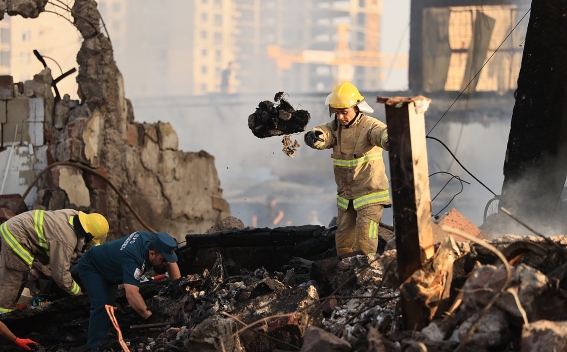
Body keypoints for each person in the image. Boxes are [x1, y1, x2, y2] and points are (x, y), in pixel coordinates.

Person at [304, 82, 390, 257]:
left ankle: (366, 274)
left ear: (357, 108)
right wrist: (313, 136)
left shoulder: (370, 126)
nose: (341, 116)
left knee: (365, 239)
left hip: (370, 195)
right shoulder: (335, 128)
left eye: (344, 112)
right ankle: (344, 273)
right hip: (347, 196)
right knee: (343, 239)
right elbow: (324, 134)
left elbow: (382, 134)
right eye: (337, 112)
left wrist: (391, 139)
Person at [78, 231, 181, 350]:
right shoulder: (134, 259)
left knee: (108, 306)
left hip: (110, 268)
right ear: (152, 254)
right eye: (162, 260)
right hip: (92, 266)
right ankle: (95, 346)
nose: (164, 264)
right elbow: (131, 294)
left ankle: (104, 335)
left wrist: (178, 286)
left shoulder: (156, 241)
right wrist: (148, 317)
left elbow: (170, 261)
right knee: (102, 304)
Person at [0, 210, 109, 313]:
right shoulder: (66, 240)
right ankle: (4, 315)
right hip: (16, 235)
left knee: (14, 272)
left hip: (15, 228)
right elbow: (61, 275)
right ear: (87, 235)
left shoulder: (74, 216)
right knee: (17, 276)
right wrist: (78, 293)